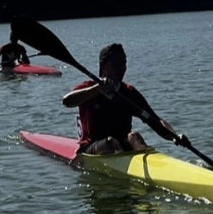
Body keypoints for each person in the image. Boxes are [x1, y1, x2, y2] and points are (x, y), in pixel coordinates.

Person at [62, 43, 191, 154]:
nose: (122, 69)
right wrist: (97, 89)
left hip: (122, 146)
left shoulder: (129, 92)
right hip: (91, 148)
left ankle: (146, 164)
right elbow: (67, 101)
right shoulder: (88, 88)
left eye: (124, 64)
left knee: (134, 136)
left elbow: (155, 120)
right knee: (110, 142)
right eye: (116, 64)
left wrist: (174, 136)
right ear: (103, 66)